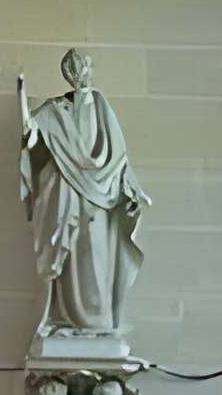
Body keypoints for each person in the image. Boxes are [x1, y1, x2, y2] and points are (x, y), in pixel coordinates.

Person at [18, 49, 148, 343]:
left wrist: (131, 189)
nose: (79, 73)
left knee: (99, 262)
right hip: (67, 203)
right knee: (70, 261)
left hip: (102, 206)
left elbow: (118, 158)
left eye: (84, 67)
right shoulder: (54, 110)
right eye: (73, 68)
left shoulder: (101, 108)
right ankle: (66, 318)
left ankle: (98, 322)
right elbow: (32, 135)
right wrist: (21, 103)